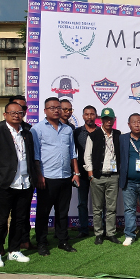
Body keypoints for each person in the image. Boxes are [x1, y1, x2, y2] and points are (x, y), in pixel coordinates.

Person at [0, 102, 37, 267]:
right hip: (5, 184)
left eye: (19, 112)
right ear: (5, 115)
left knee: (19, 219)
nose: (16, 115)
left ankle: (14, 251)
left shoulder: (27, 133)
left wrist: (33, 180)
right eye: (12, 112)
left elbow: (30, 158)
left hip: (24, 184)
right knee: (0, 221)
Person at [31, 97, 80, 255]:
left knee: (62, 211)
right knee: (43, 212)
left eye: (59, 107)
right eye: (52, 108)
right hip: (47, 178)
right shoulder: (37, 129)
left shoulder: (67, 129)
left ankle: (63, 241)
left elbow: (73, 153)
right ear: (45, 111)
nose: (56, 110)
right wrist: (39, 175)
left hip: (65, 176)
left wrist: (76, 173)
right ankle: (42, 243)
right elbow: (36, 155)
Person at [84, 108, 121, 245]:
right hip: (98, 177)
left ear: (114, 120)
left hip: (113, 176)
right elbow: (87, 156)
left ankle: (110, 233)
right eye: (105, 119)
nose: (108, 121)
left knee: (111, 208)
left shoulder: (118, 134)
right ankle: (99, 233)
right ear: (101, 120)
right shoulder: (93, 135)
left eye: (110, 119)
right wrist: (91, 174)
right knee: (97, 208)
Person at [119, 113, 140, 246]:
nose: (137, 124)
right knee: (129, 209)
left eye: (139, 122)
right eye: (134, 122)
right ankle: (129, 234)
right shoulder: (122, 138)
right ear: (129, 125)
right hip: (129, 181)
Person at [7, 95, 33, 250]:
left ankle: (23, 241)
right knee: (2, 218)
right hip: (6, 182)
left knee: (22, 215)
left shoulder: (28, 130)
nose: (19, 112)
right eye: (16, 108)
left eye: (23, 109)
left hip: (25, 181)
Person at [72, 105, 98, 239]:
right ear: (83, 116)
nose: (89, 117)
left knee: (99, 203)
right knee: (82, 203)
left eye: (92, 114)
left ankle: (101, 229)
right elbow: (73, 153)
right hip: (82, 174)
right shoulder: (77, 132)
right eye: (87, 114)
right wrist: (75, 172)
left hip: (97, 173)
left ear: (96, 116)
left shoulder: (101, 131)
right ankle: (83, 229)